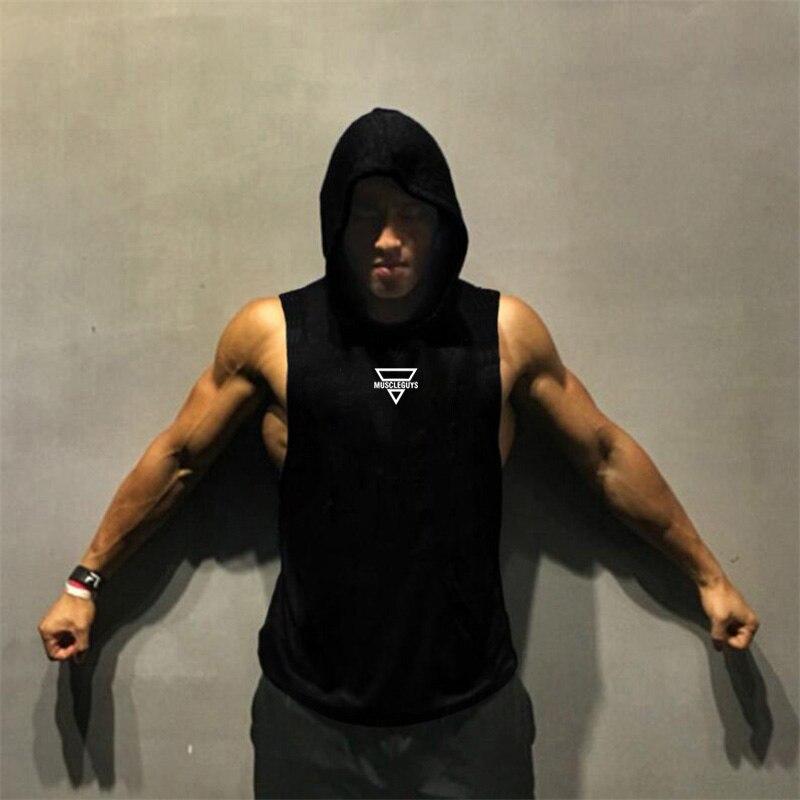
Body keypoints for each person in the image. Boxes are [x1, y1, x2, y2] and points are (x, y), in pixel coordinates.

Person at [38, 107, 760, 799]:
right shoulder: (273, 335)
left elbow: (604, 454)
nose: (388, 237)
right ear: (337, 222)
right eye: (367, 215)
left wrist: (709, 577)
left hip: (469, 717)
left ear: (442, 224)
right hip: (309, 718)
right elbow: (179, 459)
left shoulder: (503, 333)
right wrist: (83, 585)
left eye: (411, 214)